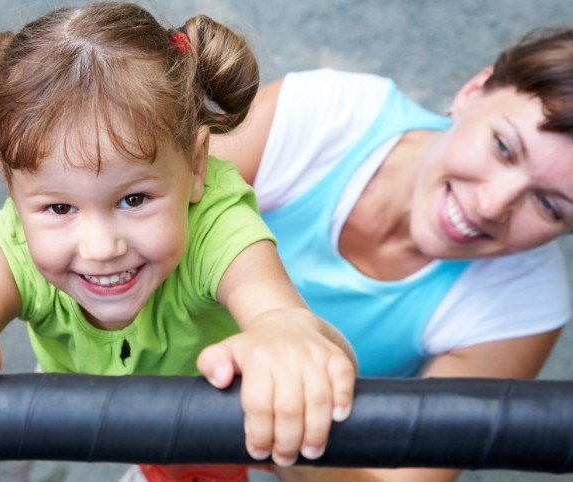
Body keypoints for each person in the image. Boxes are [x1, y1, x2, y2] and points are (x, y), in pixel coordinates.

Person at [0, 3, 357, 481]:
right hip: (150, 433)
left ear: (197, 167)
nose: (100, 246)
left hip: (239, 409)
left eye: (133, 199)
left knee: (312, 437)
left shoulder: (217, 224)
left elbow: (274, 311)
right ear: (10, 188)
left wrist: (284, 335)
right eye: (59, 208)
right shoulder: (12, 247)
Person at [210, 27, 573, 482]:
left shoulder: (525, 300)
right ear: (472, 92)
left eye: (549, 205)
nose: (491, 205)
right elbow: (137, 212)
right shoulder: (322, 115)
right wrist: (273, 324)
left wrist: (280, 409)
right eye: (503, 147)